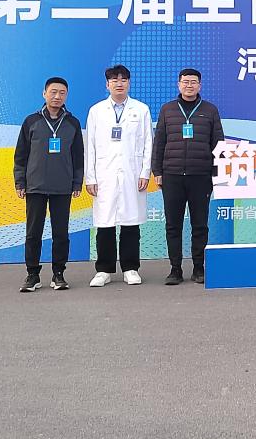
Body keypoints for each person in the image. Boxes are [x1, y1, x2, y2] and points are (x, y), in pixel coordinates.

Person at [152, 68, 225, 285]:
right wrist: (157, 171)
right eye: (185, 82)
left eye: (193, 82)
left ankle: (199, 268)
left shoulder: (210, 110)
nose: (189, 85)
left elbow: (218, 144)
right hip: (172, 175)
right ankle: (175, 269)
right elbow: (159, 143)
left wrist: (217, 173)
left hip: (200, 176)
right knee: (173, 225)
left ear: (199, 85)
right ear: (179, 84)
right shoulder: (168, 109)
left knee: (200, 225)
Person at [13, 77, 84, 293]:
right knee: (33, 233)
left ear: (66, 96)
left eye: (62, 93)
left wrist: (77, 182)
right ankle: (32, 274)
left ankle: (58, 274)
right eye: (53, 92)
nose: (57, 96)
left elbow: (78, 156)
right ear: (44, 93)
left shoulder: (72, 123)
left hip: (62, 187)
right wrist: (20, 181)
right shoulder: (31, 121)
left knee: (61, 233)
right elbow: (21, 155)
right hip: (35, 186)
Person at [84, 65, 153, 287]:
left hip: (132, 173)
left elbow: (148, 143)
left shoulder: (141, 110)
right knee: (105, 223)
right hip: (104, 174)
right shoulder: (96, 111)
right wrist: (90, 177)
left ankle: (130, 268)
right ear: (107, 84)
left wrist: (145, 172)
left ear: (129, 83)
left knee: (131, 223)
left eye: (123, 79)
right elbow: (90, 146)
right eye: (114, 80)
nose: (119, 83)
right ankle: (103, 270)